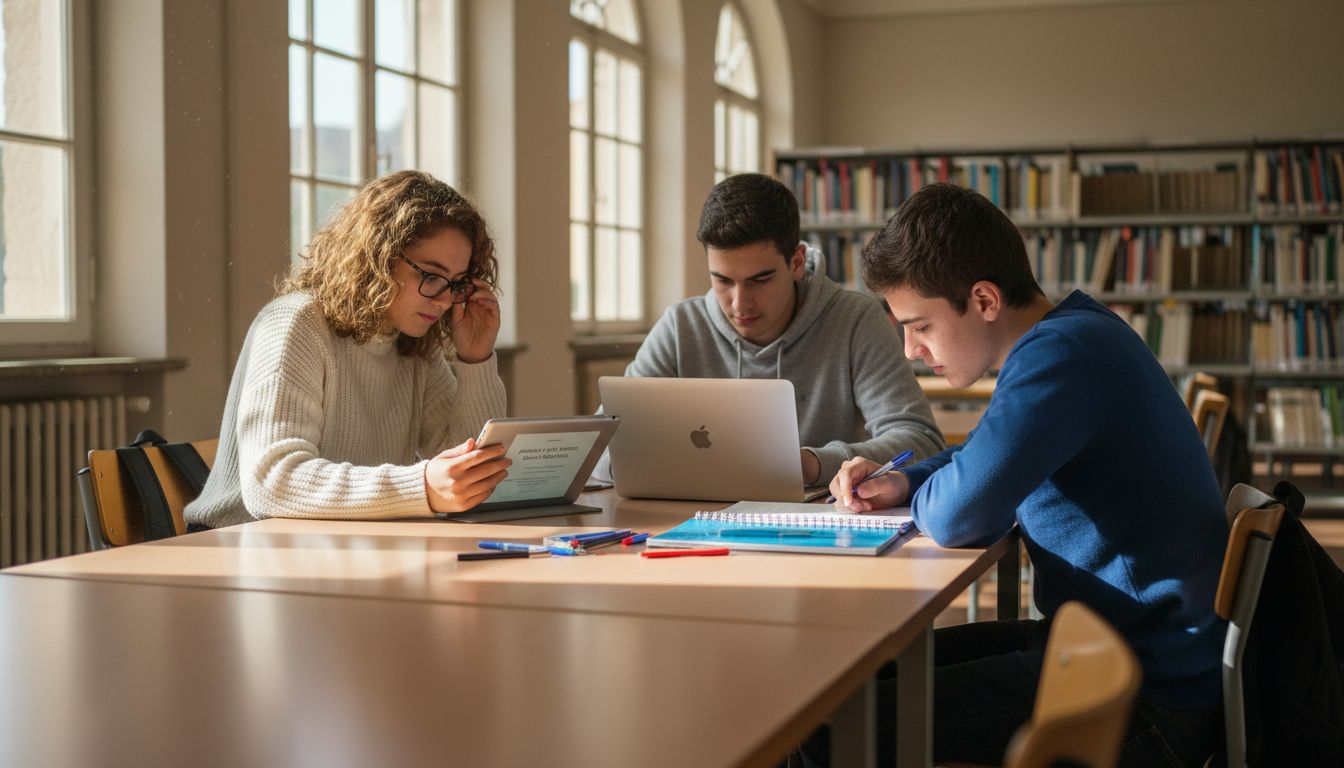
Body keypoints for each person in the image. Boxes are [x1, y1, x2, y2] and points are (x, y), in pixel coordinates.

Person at [824, 183, 1228, 767]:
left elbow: (959, 516)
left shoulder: (1061, 358)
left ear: (985, 300)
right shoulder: (1072, 335)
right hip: (1113, 642)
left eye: (920, 326)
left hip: (1141, 691)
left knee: (830, 722)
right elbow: (985, 456)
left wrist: (929, 495)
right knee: (852, 682)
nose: (910, 349)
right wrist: (905, 482)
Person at [185, 170, 511, 528]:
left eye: (456, 283)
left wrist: (475, 359)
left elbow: (469, 468)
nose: (446, 300)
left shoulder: (415, 344)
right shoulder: (295, 323)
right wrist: (419, 487)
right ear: (377, 259)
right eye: (431, 277)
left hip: (341, 543)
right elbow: (272, 482)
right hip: (240, 544)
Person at [593, 173, 943, 486]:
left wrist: (813, 464)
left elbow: (920, 440)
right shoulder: (680, 327)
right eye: (723, 280)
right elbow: (600, 451)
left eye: (760, 280)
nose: (739, 303)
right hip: (690, 524)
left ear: (796, 262)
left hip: (815, 531)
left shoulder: (855, 320)